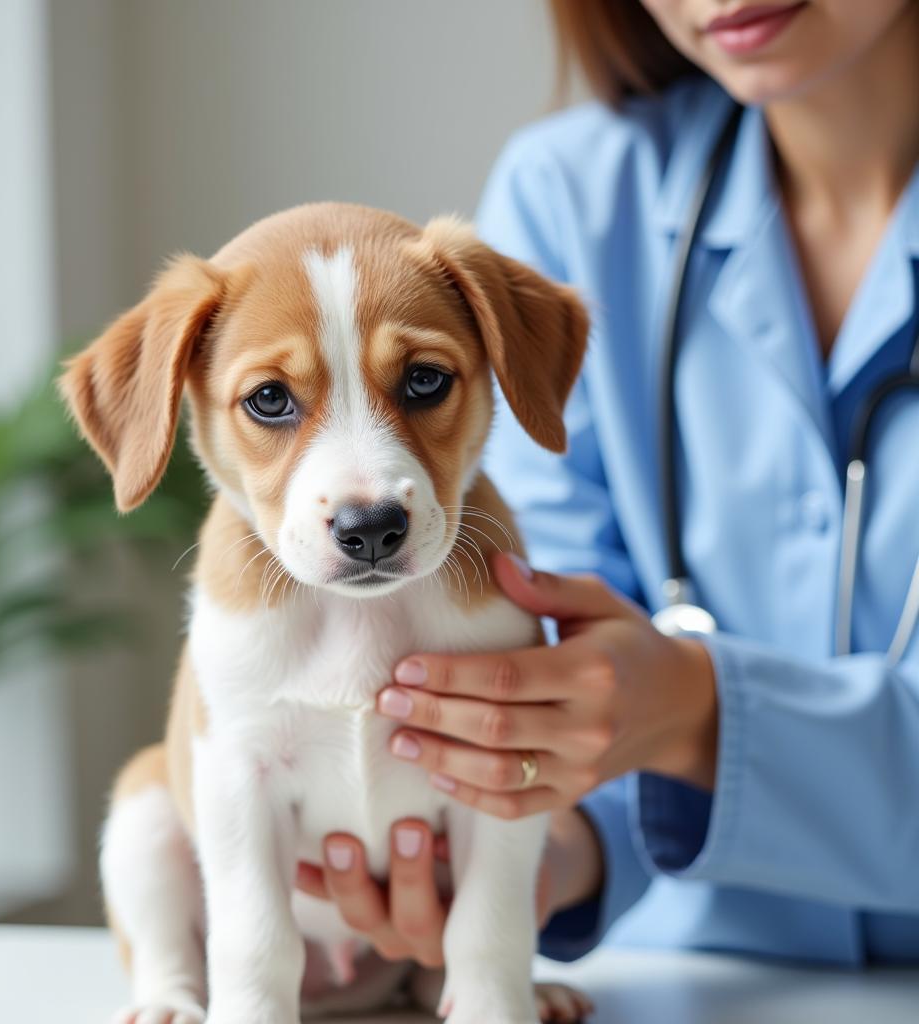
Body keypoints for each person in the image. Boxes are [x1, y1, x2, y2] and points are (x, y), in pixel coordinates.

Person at [296, 0, 919, 969]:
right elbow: (571, 689)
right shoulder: (574, 200)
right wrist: (531, 852)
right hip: (682, 986)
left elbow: (656, 709)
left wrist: (704, 715)